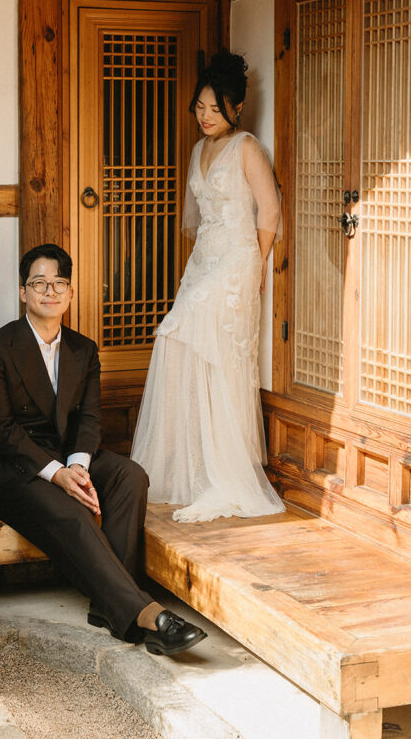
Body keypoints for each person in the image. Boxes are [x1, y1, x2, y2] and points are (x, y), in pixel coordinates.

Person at [0, 243, 207, 656]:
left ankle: (108, 604)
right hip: (8, 469)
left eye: (59, 283)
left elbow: (90, 419)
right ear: (23, 292)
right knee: (71, 510)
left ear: (71, 293)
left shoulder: (83, 349)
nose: (50, 291)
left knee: (131, 476)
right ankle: (147, 615)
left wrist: (77, 466)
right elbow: (1, 432)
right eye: (39, 283)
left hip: (66, 455)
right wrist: (57, 474)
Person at [131, 51, 286, 523]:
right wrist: (201, 262)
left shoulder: (247, 147)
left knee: (203, 346)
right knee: (181, 343)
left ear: (236, 108)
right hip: (202, 263)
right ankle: (194, 463)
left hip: (238, 262)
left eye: (215, 108)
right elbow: (194, 220)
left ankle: (227, 468)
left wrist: (257, 266)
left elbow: (269, 209)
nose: (205, 115)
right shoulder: (198, 150)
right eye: (200, 107)